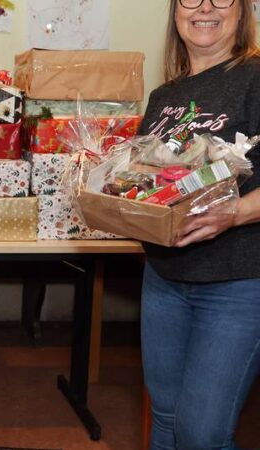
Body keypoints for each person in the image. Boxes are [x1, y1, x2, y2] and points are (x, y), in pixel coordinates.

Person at [138, 0, 260, 448]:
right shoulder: (164, 97)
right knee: (167, 421)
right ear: (175, 13)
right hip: (164, 280)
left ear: (243, 12)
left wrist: (237, 212)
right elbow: (150, 186)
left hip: (238, 283)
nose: (205, 7)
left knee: (203, 433)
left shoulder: (254, 77)